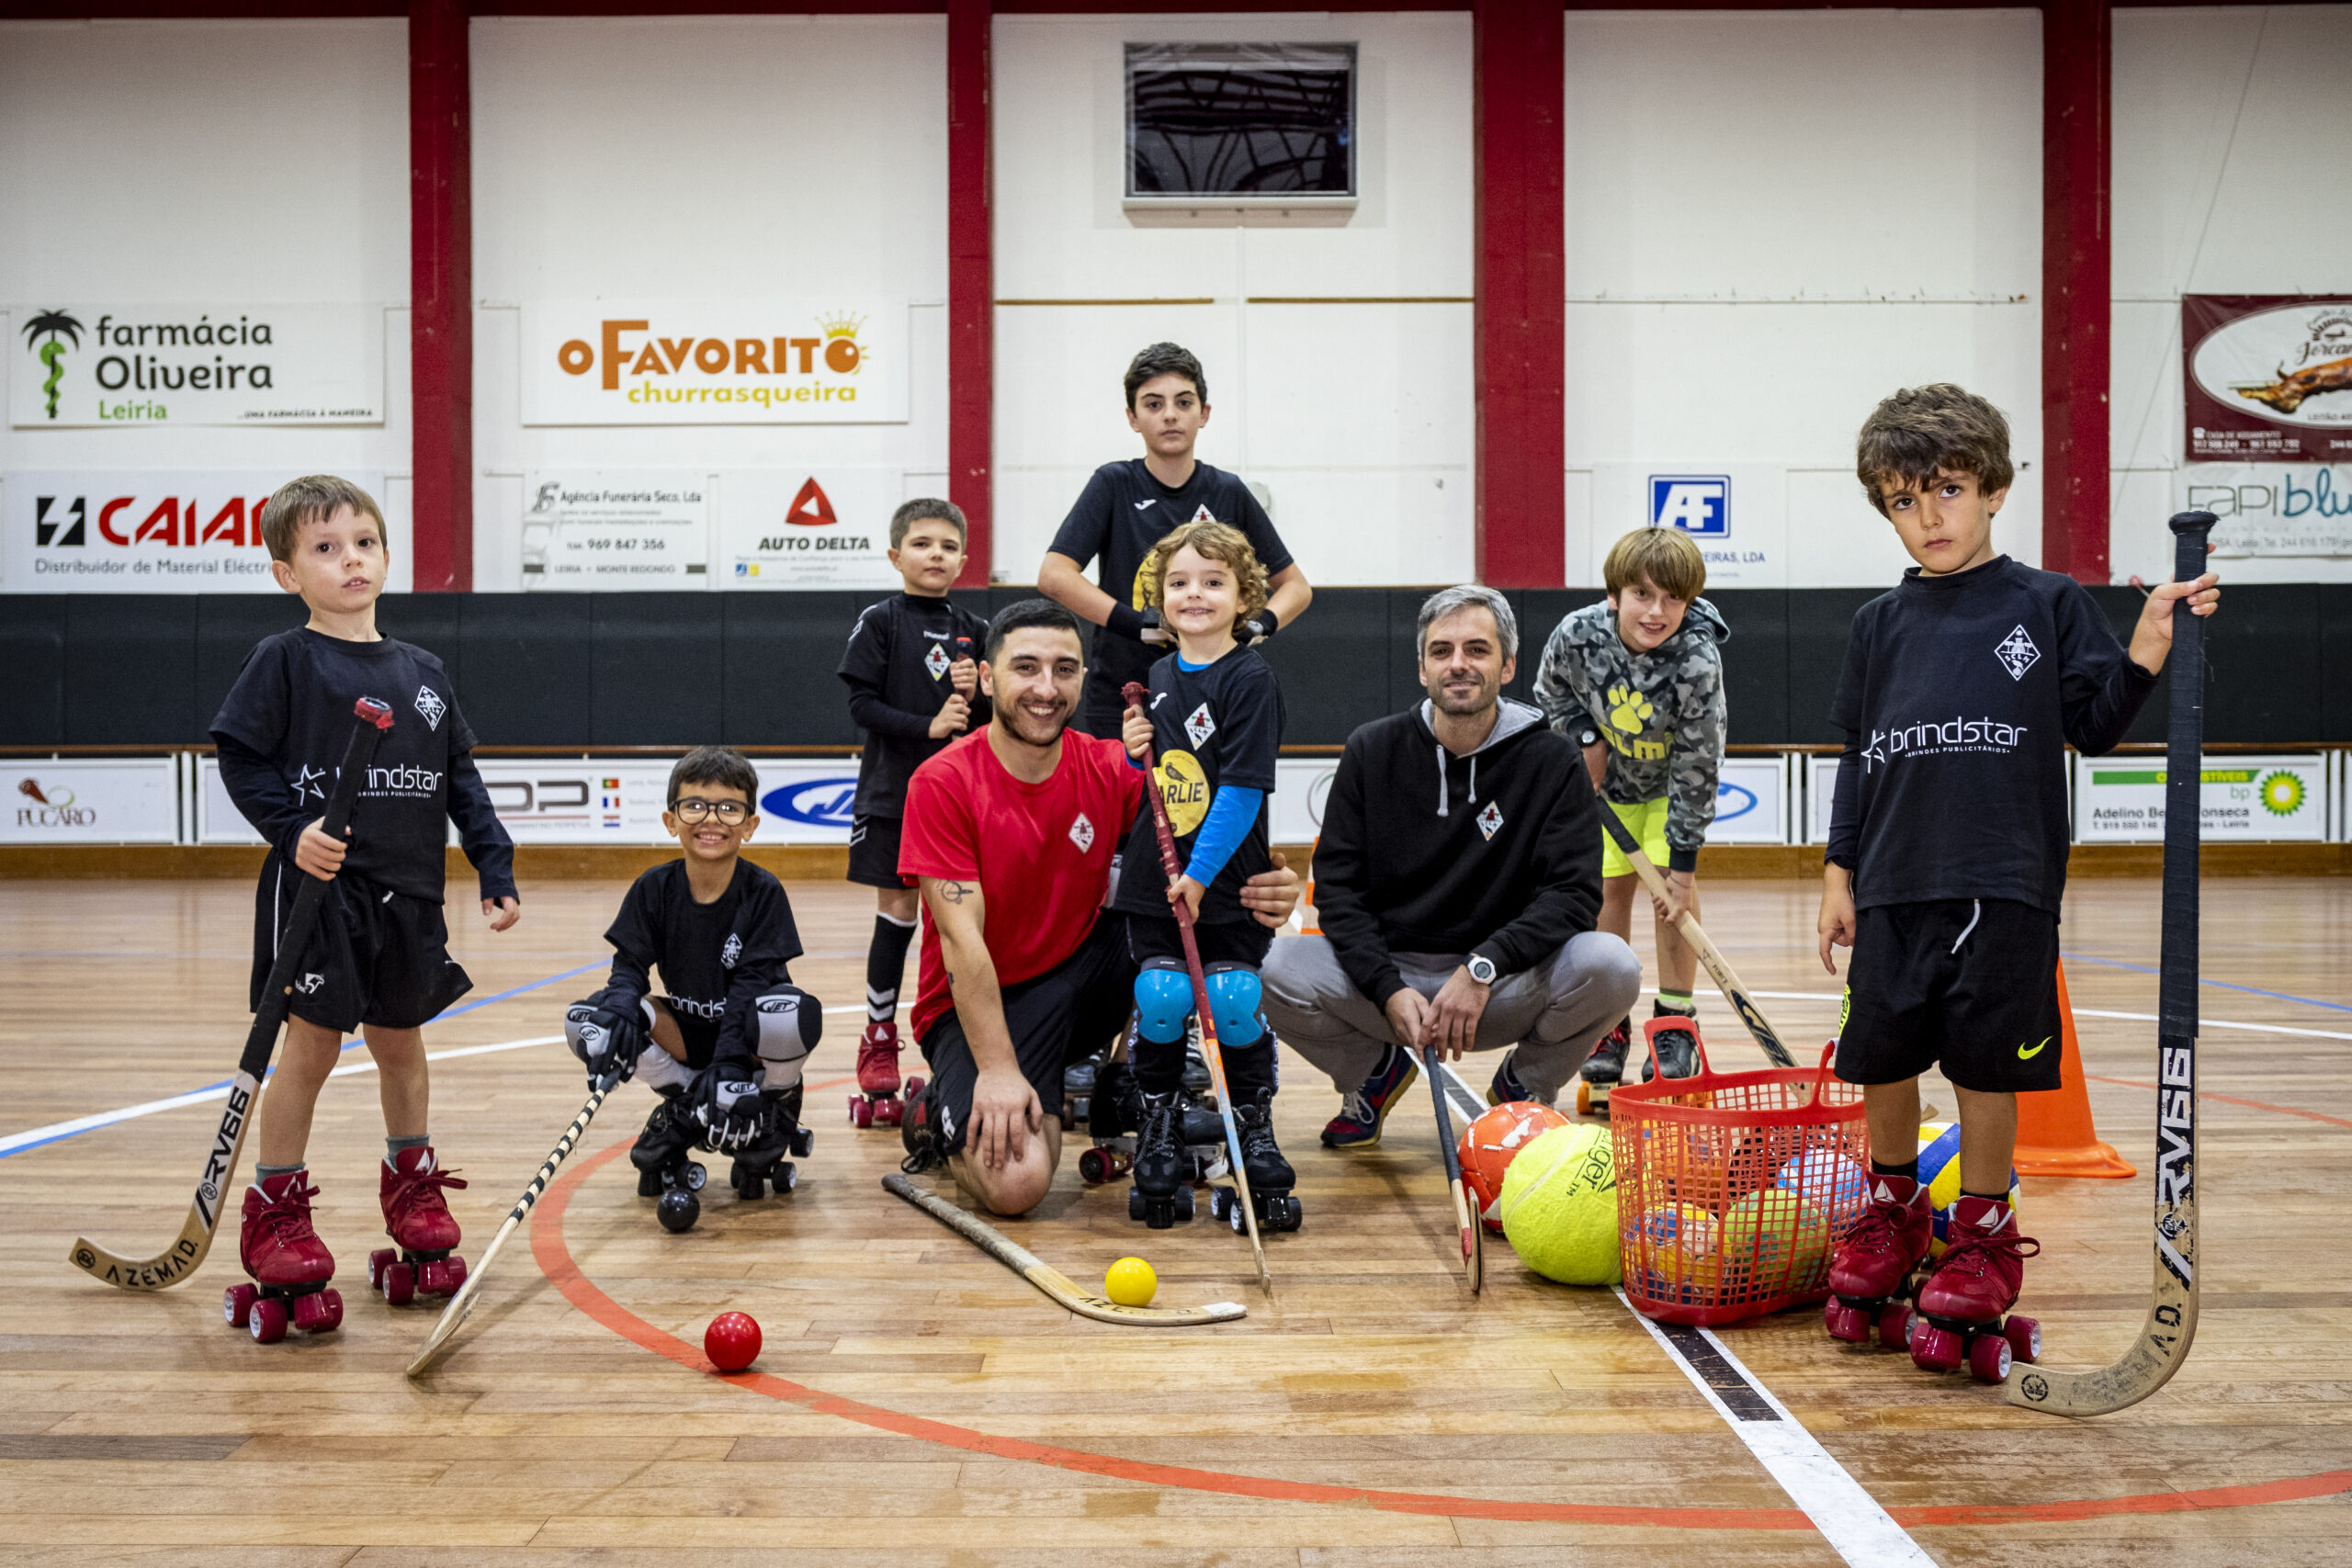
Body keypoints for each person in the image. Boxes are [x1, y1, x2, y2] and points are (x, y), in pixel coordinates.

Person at [1816, 383, 2219, 1358]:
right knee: (1882, 1055)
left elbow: (2093, 727)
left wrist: (2147, 651)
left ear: (1995, 489)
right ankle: (1892, 1211)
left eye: (1945, 490)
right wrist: (1839, 870)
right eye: (1901, 501)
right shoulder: (1878, 623)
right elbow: (1857, 753)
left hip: (2004, 876)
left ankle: (1983, 1232)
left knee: (1984, 1064)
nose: (1926, 518)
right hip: (1891, 877)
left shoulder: (2045, 603)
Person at [210, 474, 518, 1312]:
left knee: (401, 1044)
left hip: (409, 894)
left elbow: (461, 777)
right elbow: (238, 757)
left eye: (364, 542)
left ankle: (412, 1186)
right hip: (321, 895)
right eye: (325, 547)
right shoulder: (285, 659)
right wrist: (291, 829)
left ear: (385, 553)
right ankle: (275, 1210)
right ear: (287, 573)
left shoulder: (422, 670)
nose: (351, 559)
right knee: (308, 1050)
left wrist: (494, 864)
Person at [895, 598, 1304, 1218]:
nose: (1045, 687)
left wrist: (1275, 883)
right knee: (1019, 1184)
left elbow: (1200, 839)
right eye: (1025, 668)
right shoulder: (943, 781)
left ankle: (1121, 1069)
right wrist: (1001, 1071)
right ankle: (935, 1111)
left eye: (1064, 669)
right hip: (979, 1001)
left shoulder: (1113, 766)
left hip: (1082, 978)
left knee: (1159, 921)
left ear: (1084, 679)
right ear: (987, 678)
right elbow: (961, 944)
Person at [1261, 586, 1642, 1145]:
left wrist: (1482, 968)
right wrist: (1388, 989)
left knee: (1613, 965)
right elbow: (1340, 892)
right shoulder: (1372, 750)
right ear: (1422, 669)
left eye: (1476, 649)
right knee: (1268, 964)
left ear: (1508, 665)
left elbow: (1573, 895)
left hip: (1501, 984)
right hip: (1391, 990)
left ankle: (1522, 1091)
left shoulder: (1553, 759)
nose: (1458, 664)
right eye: (1441, 651)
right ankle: (1373, 1075)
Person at [1113, 520, 1293, 1230]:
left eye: (1214, 582)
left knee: (1232, 997)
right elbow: (1162, 777)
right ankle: (1158, 1123)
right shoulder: (1157, 675)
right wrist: (1134, 751)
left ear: (1244, 596)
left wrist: (1200, 876)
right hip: (1156, 878)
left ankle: (1251, 1123)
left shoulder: (1251, 679)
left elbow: (1241, 791)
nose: (1195, 594)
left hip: (1223, 879)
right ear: (1160, 596)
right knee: (1159, 995)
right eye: (1180, 583)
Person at [562, 747, 823, 1224]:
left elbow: (748, 987)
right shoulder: (654, 888)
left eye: (729, 808)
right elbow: (629, 967)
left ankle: (777, 1100)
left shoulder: (763, 892)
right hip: (685, 1037)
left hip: (745, 1047)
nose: (712, 820)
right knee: (593, 1020)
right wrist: (620, 1011)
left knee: (791, 1011)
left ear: (750, 824)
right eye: (696, 805)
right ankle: (684, 1093)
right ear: (671, 819)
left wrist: (727, 1065)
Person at [1037, 341, 1312, 740]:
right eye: (1153, 404)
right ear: (1132, 417)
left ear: (1204, 414)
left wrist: (1257, 625)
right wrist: (1139, 624)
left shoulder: (1228, 492)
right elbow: (1054, 574)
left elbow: (1296, 587)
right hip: (1126, 692)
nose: (1169, 415)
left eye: (1183, 403)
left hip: (1214, 690)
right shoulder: (1114, 484)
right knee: (1128, 803)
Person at [1532, 525, 1728, 1086]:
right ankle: (1610, 1018)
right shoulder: (1578, 634)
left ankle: (1675, 1019)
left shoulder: (1696, 658)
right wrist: (1585, 741)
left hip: (1669, 789)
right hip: (1606, 792)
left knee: (1672, 897)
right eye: (1642, 594)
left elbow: (1699, 760)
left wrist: (1686, 867)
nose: (1657, 611)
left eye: (1673, 598)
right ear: (1615, 594)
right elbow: (1550, 694)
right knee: (1607, 893)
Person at [837, 500, 989, 1121]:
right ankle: (878, 1035)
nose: (936, 555)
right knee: (897, 917)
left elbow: (990, 718)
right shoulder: (880, 620)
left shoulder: (976, 628)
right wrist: (928, 725)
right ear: (896, 554)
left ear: (963, 558)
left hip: (958, 804)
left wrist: (978, 697)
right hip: (892, 797)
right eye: (922, 543)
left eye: (949, 545)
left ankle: (953, 1035)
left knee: (954, 923)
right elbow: (862, 706)